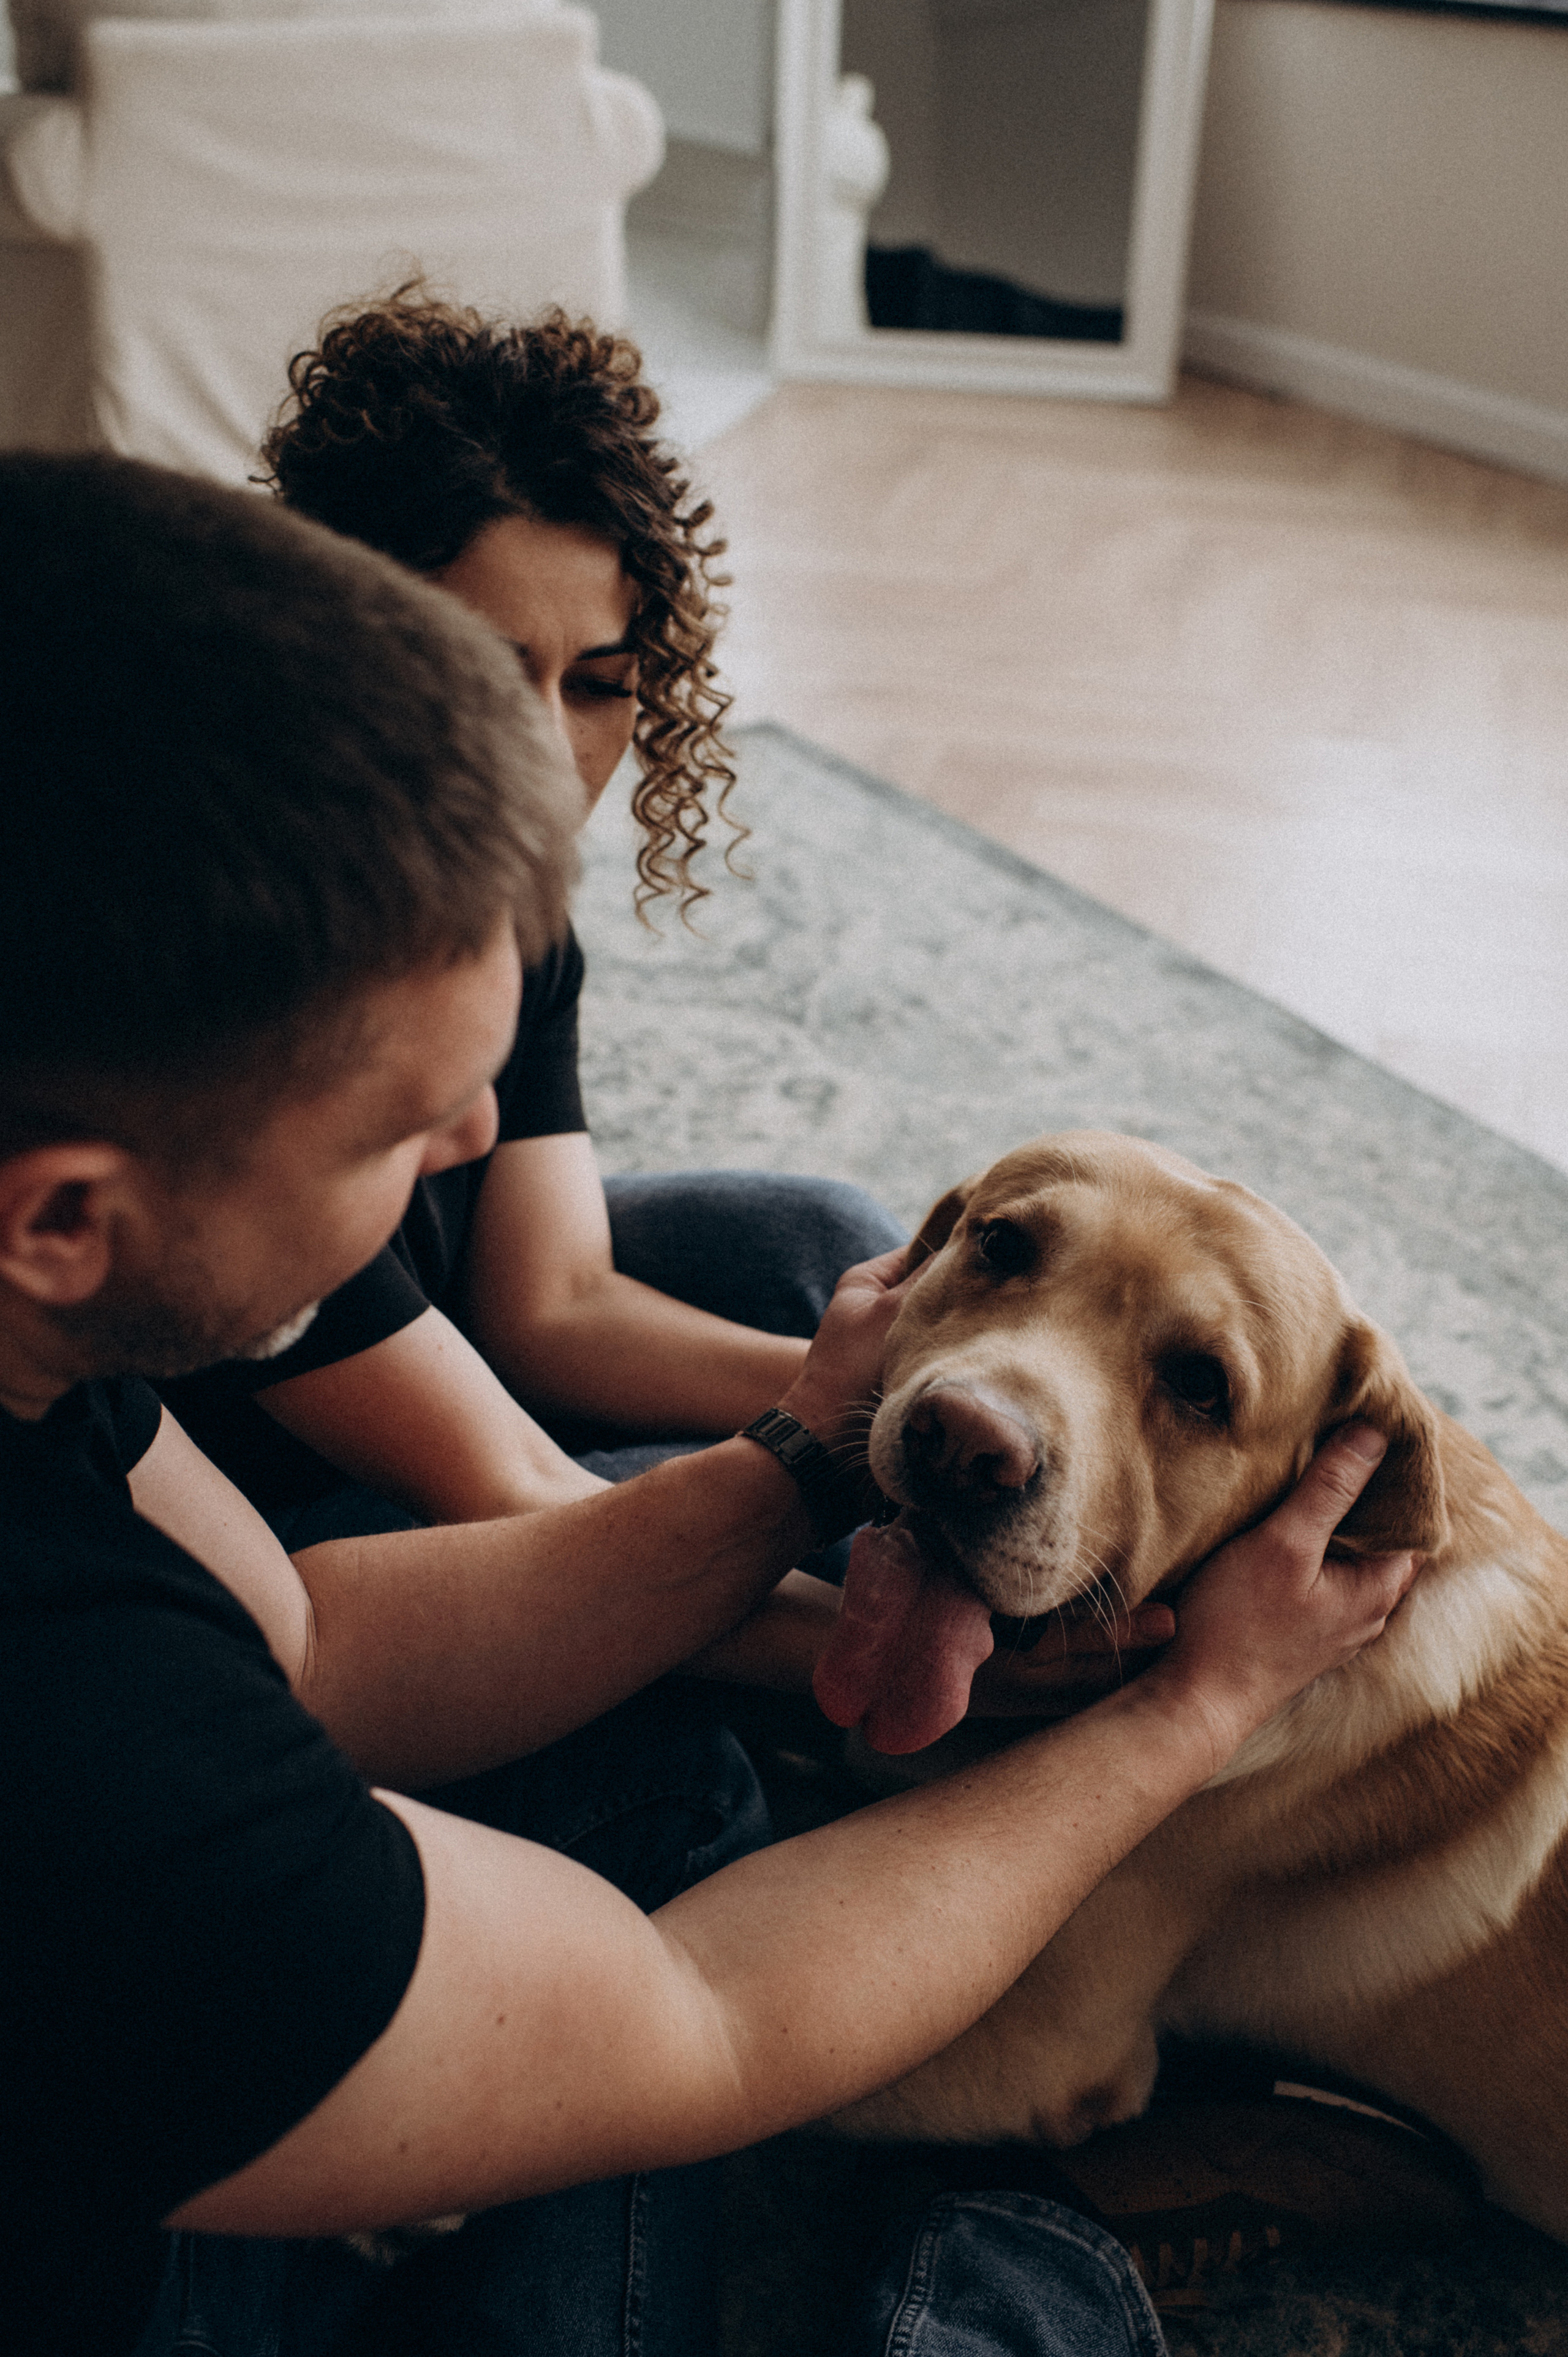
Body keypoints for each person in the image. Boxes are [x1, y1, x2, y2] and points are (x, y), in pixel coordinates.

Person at [1, 452, 1417, 2357]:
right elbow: (700, 2017)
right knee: (782, 2057)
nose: (475, 1141)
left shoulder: (36, 1331)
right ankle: (1013, 2256)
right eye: (396, 1128)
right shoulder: (84, 1762)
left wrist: (794, 1459)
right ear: (71, 1219)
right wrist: (1199, 1706)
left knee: (659, 1764)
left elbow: (309, 1638)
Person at [158, 290, 914, 1555]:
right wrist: (859, 1586)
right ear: (340, 643)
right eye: (482, 669)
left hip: (461, 1362)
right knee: (732, 1538)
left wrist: (902, 1407)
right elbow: (507, 1483)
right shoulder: (243, 967)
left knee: (826, 1253)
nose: (548, 747)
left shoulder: (511, 905)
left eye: (602, 686)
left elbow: (548, 1306)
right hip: (304, 1522)